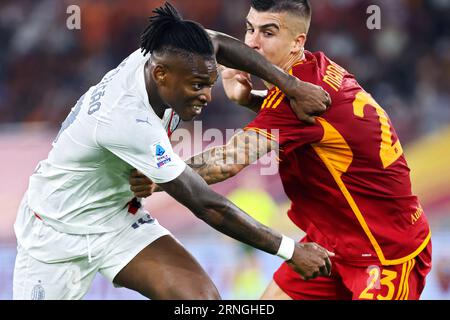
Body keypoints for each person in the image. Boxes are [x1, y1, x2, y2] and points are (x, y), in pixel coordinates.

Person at [12, 2, 334, 300]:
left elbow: (218, 44)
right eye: (197, 86)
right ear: (161, 75)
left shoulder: (168, 55)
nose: (207, 95)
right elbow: (208, 206)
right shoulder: (126, 119)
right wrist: (291, 251)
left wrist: (290, 85)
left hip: (117, 219)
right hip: (56, 233)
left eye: (209, 83)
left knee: (202, 302)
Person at [131, 0, 432, 300]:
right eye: (250, 29)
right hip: (330, 244)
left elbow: (225, 163)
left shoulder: (297, 98)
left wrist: (159, 177)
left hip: (385, 251)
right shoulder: (314, 72)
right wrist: (250, 100)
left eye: (268, 32)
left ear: (296, 42)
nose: (252, 42)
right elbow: (309, 126)